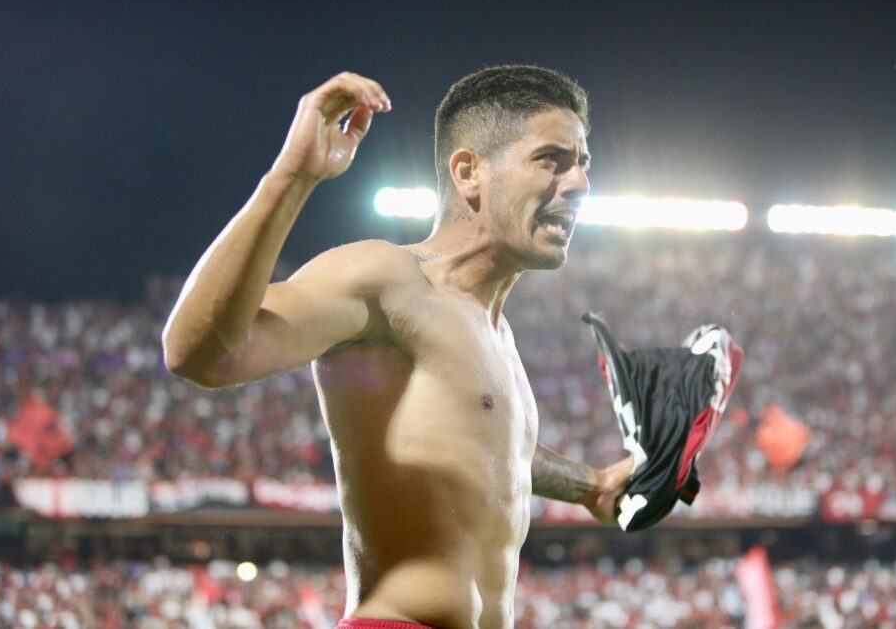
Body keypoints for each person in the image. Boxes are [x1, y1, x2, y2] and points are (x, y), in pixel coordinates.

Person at [162, 66, 634, 629]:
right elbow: (197, 353)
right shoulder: (387, 278)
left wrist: (591, 486)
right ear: (469, 173)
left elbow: (490, 451)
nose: (579, 183)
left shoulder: (496, 333)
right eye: (551, 160)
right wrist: (292, 175)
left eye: (583, 163)